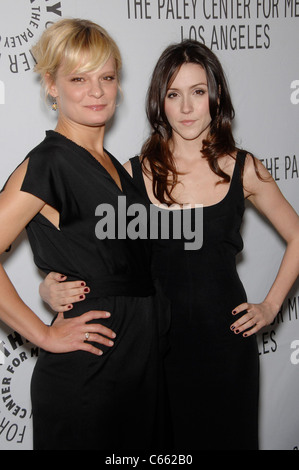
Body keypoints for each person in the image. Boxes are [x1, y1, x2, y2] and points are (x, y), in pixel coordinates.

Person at [40, 40, 299, 450]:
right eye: (173, 94)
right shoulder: (130, 174)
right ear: (160, 103)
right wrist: (50, 286)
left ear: (216, 96)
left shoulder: (243, 169)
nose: (186, 107)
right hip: (149, 351)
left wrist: (270, 305)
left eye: (198, 92)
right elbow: (90, 252)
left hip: (225, 347)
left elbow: (297, 235)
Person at [0, 19, 171, 450]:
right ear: (51, 85)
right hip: (89, 372)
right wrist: (41, 335)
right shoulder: (48, 164)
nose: (96, 91)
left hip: (142, 365)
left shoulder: (120, 168)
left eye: (107, 77)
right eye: (78, 78)